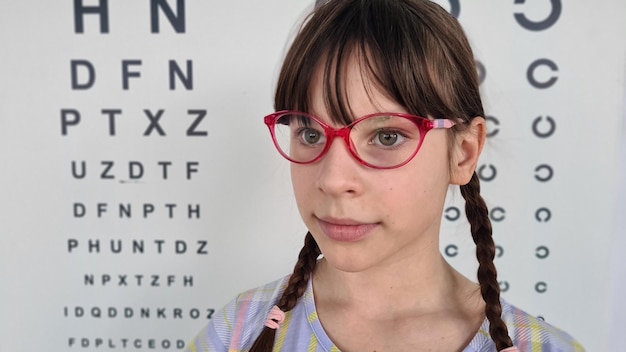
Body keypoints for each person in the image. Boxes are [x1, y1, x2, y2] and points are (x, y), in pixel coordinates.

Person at [186, 0, 583, 351]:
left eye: (386, 135)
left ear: (463, 153)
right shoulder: (239, 331)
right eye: (310, 133)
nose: (333, 179)